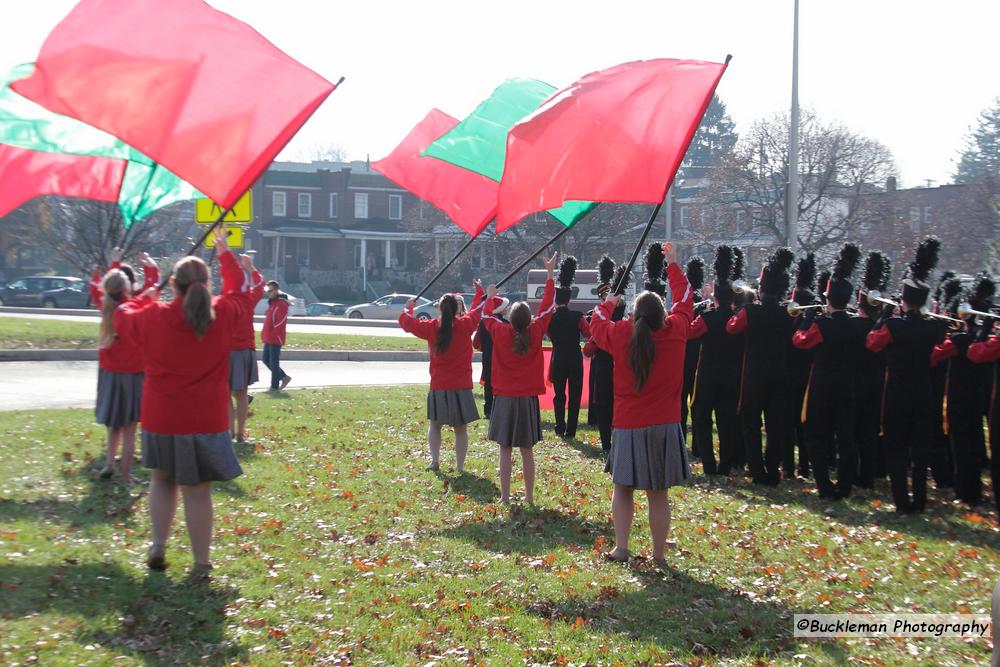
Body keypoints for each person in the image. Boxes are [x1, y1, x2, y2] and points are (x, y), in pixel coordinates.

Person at [114, 226, 253, 576]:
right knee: (197, 490)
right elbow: (238, 289)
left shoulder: (153, 316)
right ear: (207, 285)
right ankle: (201, 563)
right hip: (205, 420)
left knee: (162, 481)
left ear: (173, 285)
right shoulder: (221, 313)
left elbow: (121, 314)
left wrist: (147, 293)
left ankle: (158, 545)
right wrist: (223, 251)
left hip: (162, 417)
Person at [589, 242, 693, 566]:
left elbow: (594, 323)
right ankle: (659, 555)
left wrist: (608, 303)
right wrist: (672, 265)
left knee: (623, 489)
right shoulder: (676, 331)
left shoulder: (622, 334)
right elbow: (687, 299)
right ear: (664, 314)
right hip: (664, 423)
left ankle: (622, 547)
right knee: (657, 493)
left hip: (629, 423)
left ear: (635, 315)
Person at [866, 236, 948, 513]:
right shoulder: (933, 328)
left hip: (897, 392)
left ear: (904, 301)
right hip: (923, 390)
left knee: (897, 445)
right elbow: (936, 355)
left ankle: (902, 500)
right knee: (920, 447)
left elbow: (872, 343)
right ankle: (921, 499)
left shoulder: (893, 326)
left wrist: (883, 317)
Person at [481, 252, 559, 505]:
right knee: (526, 450)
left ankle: (504, 497)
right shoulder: (536, 331)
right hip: (526, 399)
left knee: (505, 449)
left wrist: (490, 296)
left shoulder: (501, 331)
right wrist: (549, 276)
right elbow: (547, 307)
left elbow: (486, 316)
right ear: (529, 319)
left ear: (511, 318)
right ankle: (528, 497)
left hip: (504, 397)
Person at [792, 243, 863, 500]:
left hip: (822, 384)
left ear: (828, 298)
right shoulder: (857, 325)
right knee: (845, 437)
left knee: (817, 434)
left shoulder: (822, 325)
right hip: (848, 383)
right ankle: (844, 486)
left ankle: (824, 485)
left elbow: (799, 341)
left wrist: (809, 317)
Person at [88, 248, 159, 482]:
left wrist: (115, 263)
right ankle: (126, 475)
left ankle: (109, 463)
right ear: (127, 288)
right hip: (132, 374)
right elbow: (142, 299)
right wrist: (151, 272)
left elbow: (115, 288)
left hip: (110, 374)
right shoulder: (129, 311)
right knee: (129, 427)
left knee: (114, 425)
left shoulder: (106, 304)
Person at [727, 248, 797, 486]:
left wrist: (744, 306)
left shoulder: (750, 311)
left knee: (751, 424)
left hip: (755, 374)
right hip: (781, 375)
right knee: (775, 425)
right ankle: (772, 469)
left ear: (761, 288)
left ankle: (757, 470)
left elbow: (732, 327)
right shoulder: (789, 313)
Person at [399, 281, 486, 472]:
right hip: (461, 384)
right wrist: (480, 291)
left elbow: (407, 323)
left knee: (435, 425)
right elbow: (478, 310)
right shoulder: (464, 324)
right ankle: (460, 467)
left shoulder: (432, 327)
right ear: (457, 309)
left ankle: (435, 461)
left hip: (439, 384)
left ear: (439, 308)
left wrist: (408, 309)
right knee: (460, 428)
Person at [931, 275, 994, 507]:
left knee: (961, 446)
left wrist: (940, 333)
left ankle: (965, 491)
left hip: (957, 397)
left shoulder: (958, 341)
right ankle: (974, 489)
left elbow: (934, 355)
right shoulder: (986, 339)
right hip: (978, 396)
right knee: (975, 442)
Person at [688, 245, 742, 475]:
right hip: (732, 375)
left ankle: (709, 463)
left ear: (715, 297)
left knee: (701, 417)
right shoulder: (739, 318)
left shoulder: (707, 317)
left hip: (708, 374)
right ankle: (726, 465)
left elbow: (690, 333)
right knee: (727, 421)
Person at [851, 251, 892, 487]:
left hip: (855, 383)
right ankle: (871, 472)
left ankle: (859, 473)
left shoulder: (854, 324)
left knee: (855, 431)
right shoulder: (883, 325)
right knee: (871, 430)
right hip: (878, 383)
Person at [584, 257, 627, 456]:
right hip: (615, 366)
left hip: (606, 364)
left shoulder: (601, 316)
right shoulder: (621, 318)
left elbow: (589, 349)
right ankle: (612, 441)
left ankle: (607, 444)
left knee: (604, 405)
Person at [547, 256, 590, 439]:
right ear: (569, 299)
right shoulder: (578, 316)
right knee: (574, 395)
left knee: (559, 395)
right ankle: (571, 429)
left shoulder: (551, 318)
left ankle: (559, 426)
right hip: (575, 358)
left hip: (558, 358)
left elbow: (548, 334)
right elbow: (589, 334)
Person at [786, 253, 818, 479]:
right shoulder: (789, 317)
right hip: (792, 375)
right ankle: (791, 467)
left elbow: (800, 341)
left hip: (803, 376)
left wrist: (808, 318)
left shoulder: (812, 323)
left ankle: (803, 466)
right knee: (791, 424)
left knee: (802, 424)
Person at [228, 255, 264, 442]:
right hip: (246, 350)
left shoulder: (224, 302)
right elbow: (260, 283)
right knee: (241, 394)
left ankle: (228, 431)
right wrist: (251, 267)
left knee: (226, 394)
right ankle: (240, 433)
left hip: (227, 351)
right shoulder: (248, 299)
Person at [681, 257, 706, 447]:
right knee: (697, 405)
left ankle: (682, 440)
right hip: (699, 359)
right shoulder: (701, 306)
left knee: (683, 403)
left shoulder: (689, 304)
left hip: (686, 358)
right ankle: (697, 443)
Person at [472, 297, 509, 419]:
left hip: (487, 356)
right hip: (501, 357)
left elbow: (476, 342)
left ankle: (488, 409)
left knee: (488, 383)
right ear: (500, 309)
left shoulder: (484, 322)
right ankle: (500, 407)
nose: (507, 309)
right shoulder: (505, 323)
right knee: (501, 382)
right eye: (506, 307)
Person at [261, 280, 292, 391]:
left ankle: (274, 386)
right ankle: (284, 377)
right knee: (265, 360)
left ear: (276, 290)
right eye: (267, 291)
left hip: (275, 338)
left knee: (274, 362)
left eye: (271, 290)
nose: (269, 293)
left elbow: (280, 322)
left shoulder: (282, 304)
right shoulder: (272, 304)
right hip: (268, 338)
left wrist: (273, 334)